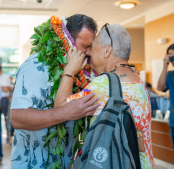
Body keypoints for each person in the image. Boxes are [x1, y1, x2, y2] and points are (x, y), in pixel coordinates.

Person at [54, 24, 154, 169]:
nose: (88, 53)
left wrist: (69, 70)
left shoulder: (103, 85)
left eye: (92, 48)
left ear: (107, 50)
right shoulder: (138, 81)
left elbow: (61, 108)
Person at [10, 14, 100, 169]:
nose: (89, 53)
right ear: (67, 40)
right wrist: (65, 112)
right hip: (34, 163)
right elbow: (17, 118)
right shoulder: (36, 65)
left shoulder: (77, 69)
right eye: (85, 47)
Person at [0, 65, 12, 138]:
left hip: (4, 99)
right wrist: (1, 87)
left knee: (6, 117)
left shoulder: (6, 77)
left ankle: (8, 135)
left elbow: (6, 89)